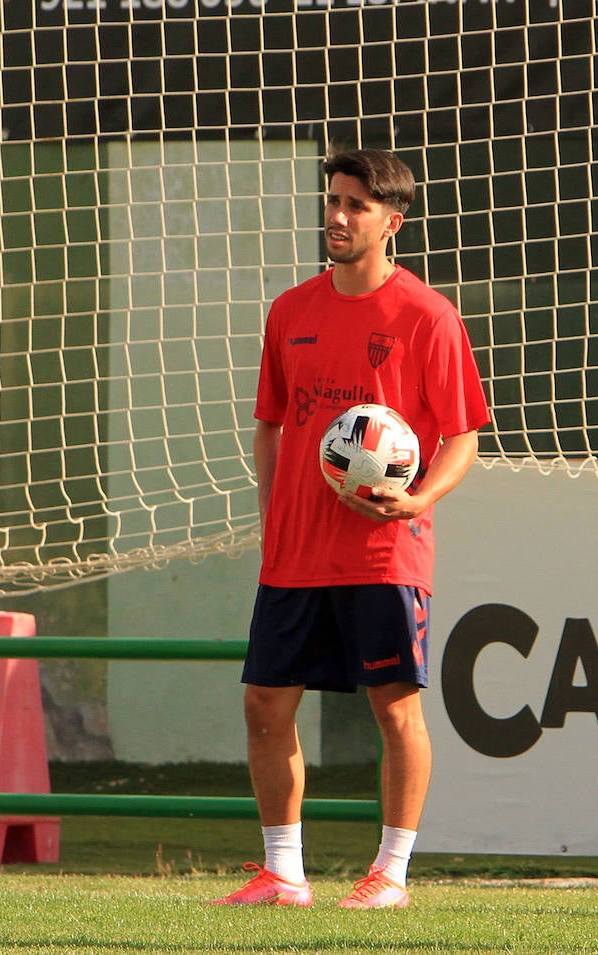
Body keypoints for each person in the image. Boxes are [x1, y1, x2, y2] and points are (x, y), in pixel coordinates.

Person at [210, 148, 489, 910]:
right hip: (296, 553)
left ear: (391, 222)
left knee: (394, 708)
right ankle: (282, 873)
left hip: (383, 548)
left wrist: (418, 495)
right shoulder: (290, 310)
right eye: (332, 200)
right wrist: (275, 519)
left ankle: (391, 875)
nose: (336, 216)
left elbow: (463, 435)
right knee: (265, 703)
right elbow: (270, 426)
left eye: (356, 205)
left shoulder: (427, 315)